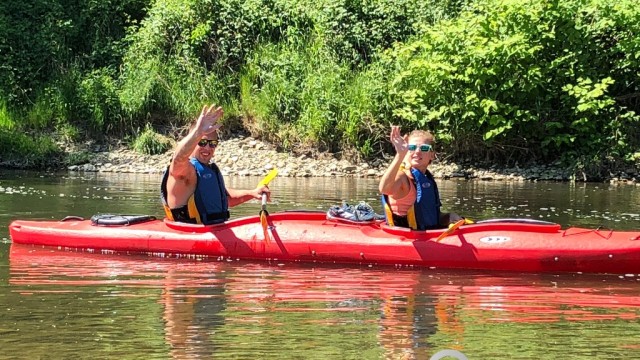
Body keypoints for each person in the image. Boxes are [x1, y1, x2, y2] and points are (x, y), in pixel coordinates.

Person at [160, 104, 270, 224]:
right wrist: (198, 132)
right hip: (192, 234)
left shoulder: (208, 171)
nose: (207, 147)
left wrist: (252, 193)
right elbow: (178, 159)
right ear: (194, 141)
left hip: (216, 229)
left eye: (212, 143)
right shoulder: (185, 171)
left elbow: (225, 199)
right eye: (202, 142)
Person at [378, 125, 462, 230]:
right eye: (412, 147)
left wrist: (449, 217)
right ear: (406, 151)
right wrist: (400, 155)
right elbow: (384, 189)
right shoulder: (402, 177)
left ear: (432, 155)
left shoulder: (426, 179)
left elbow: (433, 218)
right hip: (406, 238)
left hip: (428, 236)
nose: (417, 151)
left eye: (424, 148)